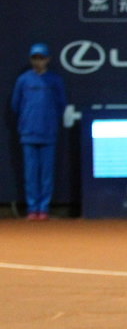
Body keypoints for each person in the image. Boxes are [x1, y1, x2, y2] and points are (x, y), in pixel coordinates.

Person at [11, 43, 67, 220]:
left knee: (46, 175)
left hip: (48, 133)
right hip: (28, 133)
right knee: (30, 174)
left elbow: (61, 104)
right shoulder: (23, 80)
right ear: (31, 60)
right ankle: (32, 209)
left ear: (48, 60)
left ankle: (43, 209)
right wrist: (27, 121)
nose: (38, 61)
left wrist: (49, 121)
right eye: (35, 58)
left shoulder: (55, 80)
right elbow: (15, 104)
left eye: (41, 58)